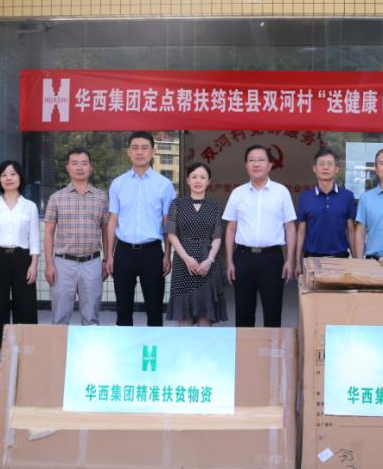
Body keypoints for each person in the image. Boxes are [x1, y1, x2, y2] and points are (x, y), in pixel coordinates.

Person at [106, 131, 176, 326]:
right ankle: (125, 345)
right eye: (135, 148)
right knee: (123, 309)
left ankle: (154, 346)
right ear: (128, 152)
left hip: (152, 253)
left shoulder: (164, 185)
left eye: (145, 148)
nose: (139, 152)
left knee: (154, 309)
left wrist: (167, 254)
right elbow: (112, 220)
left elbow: (168, 223)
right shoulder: (118, 184)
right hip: (123, 252)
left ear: (153, 151)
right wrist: (109, 255)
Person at [223, 144, 296, 328]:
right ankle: (245, 347)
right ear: (246, 165)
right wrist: (229, 261)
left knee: (273, 312)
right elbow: (231, 228)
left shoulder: (281, 192)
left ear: (270, 165)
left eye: (261, 160)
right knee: (243, 313)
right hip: (243, 257)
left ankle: (272, 347)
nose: (256, 164)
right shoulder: (237, 193)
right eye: (252, 160)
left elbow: (290, 227)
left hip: (272, 258)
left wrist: (290, 260)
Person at [43, 148, 109, 326]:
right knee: (60, 318)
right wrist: (49, 264)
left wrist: (107, 259)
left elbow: (106, 230)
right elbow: (48, 232)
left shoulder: (101, 197)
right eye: (75, 163)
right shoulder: (56, 198)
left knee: (91, 318)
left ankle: (89, 346)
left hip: (92, 263)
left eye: (84, 163)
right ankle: (58, 346)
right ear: (67, 167)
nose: (79, 168)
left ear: (91, 167)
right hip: (63, 263)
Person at [0, 160, 39, 347]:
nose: (8, 178)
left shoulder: (30, 206)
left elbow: (34, 238)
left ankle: (26, 345)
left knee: (25, 304)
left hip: (22, 258)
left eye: (13, 174)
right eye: (4, 175)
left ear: (20, 177)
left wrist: (34, 265)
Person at [165, 162, 227, 326]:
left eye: (202, 177)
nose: (198, 181)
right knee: (184, 317)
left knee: (205, 316)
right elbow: (171, 233)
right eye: (194, 177)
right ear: (188, 180)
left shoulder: (215, 206)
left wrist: (209, 260)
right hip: (183, 262)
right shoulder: (177, 204)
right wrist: (186, 258)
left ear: (208, 181)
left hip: (207, 262)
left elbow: (217, 237)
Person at [294, 147, 356, 274]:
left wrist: (356, 260)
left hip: (340, 259)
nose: (325, 167)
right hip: (311, 260)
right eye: (321, 164)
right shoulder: (305, 197)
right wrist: (297, 263)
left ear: (336, 169)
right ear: (314, 169)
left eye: (330, 164)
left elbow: (351, 231)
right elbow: (301, 231)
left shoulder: (347, 196)